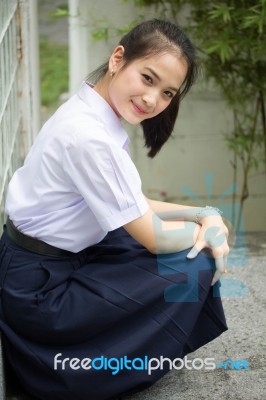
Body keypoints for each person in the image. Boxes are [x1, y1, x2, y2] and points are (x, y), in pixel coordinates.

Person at [0, 19, 229, 400]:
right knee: (194, 262)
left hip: (42, 264)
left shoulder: (90, 109)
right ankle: (88, 370)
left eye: (168, 93)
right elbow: (154, 238)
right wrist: (208, 237)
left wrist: (203, 213)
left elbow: (130, 202)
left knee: (162, 246)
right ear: (118, 59)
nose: (153, 99)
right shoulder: (90, 136)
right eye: (148, 78)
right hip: (40, 292)